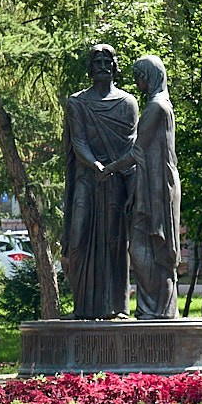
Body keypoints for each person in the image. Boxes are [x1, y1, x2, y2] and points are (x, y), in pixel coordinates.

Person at [61, 43, 139, 318]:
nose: (103, 66)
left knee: (115, 242)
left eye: (108, 61)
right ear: (89, 68)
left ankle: (115, 307)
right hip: (87, 178)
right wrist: (96, 166)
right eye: (97, 61)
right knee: (77, 238)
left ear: (115, 66)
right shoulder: (77, 102)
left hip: (116, 180)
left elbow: (132, 146)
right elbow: (78, 141)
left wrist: (112, 170)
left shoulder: (128, 103)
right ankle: (82, 306)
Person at [105, 54, 182, 319]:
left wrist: (109, 168)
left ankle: (158, 309)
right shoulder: (158, 105)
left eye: (139, 76)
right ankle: (154, 309)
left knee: (147, 249)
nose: (136, 82)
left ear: (149, 77)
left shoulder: (157, 107)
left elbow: (138, 151)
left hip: (159, 187)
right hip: (149, 184)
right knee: (143, 247)